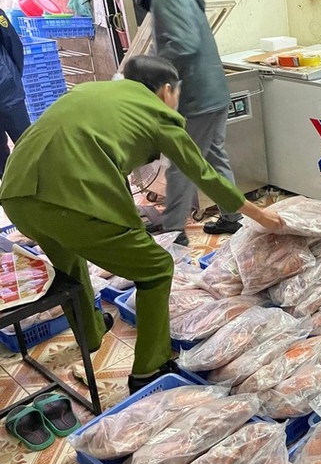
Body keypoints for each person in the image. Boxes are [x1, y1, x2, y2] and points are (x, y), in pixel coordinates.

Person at [0, 55, 283, 394]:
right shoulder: (158, 115)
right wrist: (261, 215)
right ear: (166, 90)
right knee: (157, 267)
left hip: (16, 195)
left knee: (69, 260)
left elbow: (88, 150)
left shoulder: (92, 91)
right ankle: (149, 368)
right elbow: (203, 173)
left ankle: (91, 332)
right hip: (68, 202)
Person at [111, 0, 242, 245]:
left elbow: (183, 44)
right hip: (212, 91)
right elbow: (173, 42)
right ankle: (232, 216)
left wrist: (148, 73)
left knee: (182, 163)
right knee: (213, 157)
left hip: (195, 96)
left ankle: (173, 232)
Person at [0, 7, 31, 177]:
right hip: (7, 88)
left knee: (25, 142)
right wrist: (14, 75)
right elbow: (13, 44)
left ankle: (10, 185)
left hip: (6, 88)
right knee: (27, 141)